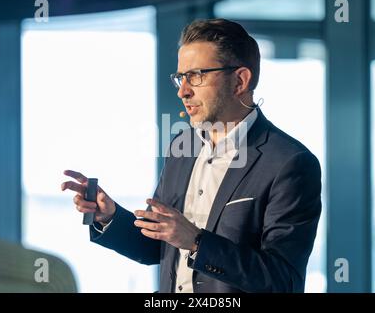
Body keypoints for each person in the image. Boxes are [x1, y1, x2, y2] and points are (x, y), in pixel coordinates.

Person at [61, 18, 321, 293]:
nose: (183, 91)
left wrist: (197, 242)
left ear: (240, 80)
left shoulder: (289, 163)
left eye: (197, 75)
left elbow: (284, 282)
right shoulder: (181, 147)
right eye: (180, 78)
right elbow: (157, 247)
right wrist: (110, 216)